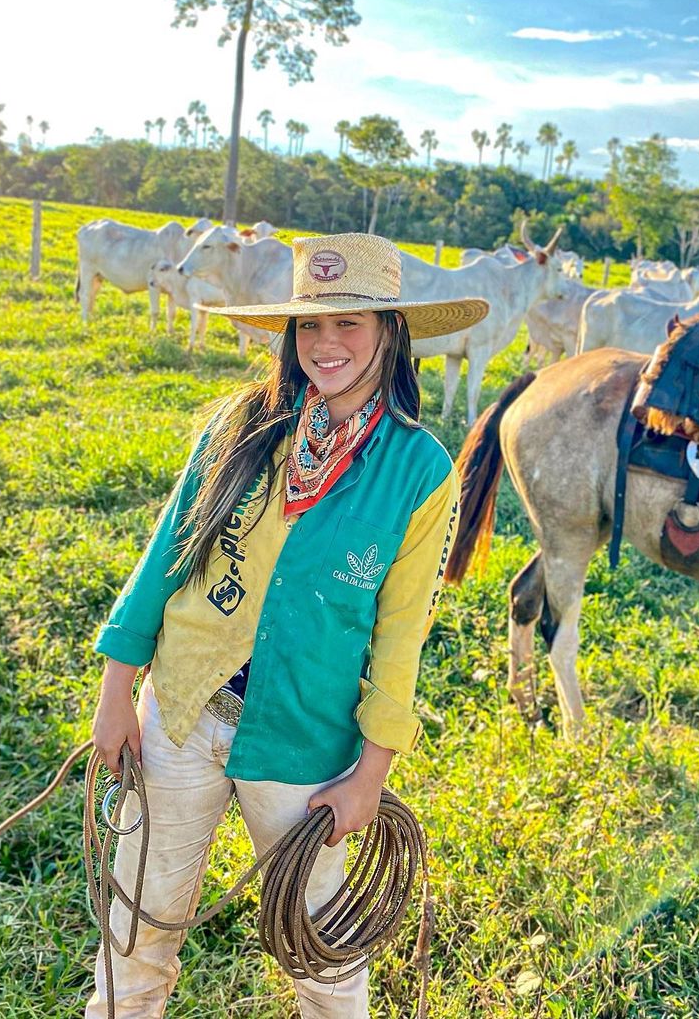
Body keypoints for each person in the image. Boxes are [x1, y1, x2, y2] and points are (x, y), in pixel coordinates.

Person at [86, 232, 488, 1018]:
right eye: (310, 325)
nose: (326, 344)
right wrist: (116, 691)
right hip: (183, 709)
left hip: (305, 740)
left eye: (350, 325)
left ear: (391, 333)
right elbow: (164, 558)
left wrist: (369, 775)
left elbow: (401, 637)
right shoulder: (243, 426)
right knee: (138, 923)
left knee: (324, 955)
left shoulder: (420, 470)